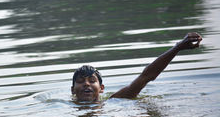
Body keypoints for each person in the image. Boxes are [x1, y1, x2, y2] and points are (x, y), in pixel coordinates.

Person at [71, 32, 203, 102]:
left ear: (101, 89)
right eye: (81, 81)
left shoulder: (115, 101)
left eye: (92, 81)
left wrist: (177, 47)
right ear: (72, 90)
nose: (86, 84)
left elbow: (146, 77)